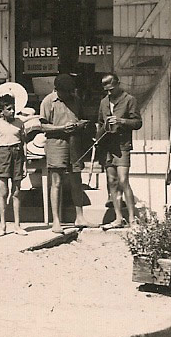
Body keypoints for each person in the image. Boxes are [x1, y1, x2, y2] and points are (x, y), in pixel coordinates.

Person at [39, 73, 92, 233]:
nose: (68, 94)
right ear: (56, 89)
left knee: (77, 179)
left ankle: (80, 217)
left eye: (70, 91)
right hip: (56, 143)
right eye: (65, 92)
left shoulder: (76, 100)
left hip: (74, 143)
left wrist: (80, 125)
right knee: (56, 182)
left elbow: (83, 119)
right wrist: (61, 128)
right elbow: (43, 126)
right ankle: (56, 221)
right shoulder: (48, 101)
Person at [96, 72, 143, 230]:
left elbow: (137, 123)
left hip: (122, 146)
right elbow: (99, 123)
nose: (109, 93)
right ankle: (118, 218)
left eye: (111, 89)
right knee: (112, 182)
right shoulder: (103, 102)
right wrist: (98, 137)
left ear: (117, 84)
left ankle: (132, 219)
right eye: (106, 90)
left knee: (123, 181)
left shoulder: (129, 99)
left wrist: (121, 121)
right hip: (108, 147)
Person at [0, 94, 27, 237]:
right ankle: (3, 226)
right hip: (3, 156)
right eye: (9, 109)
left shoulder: (19, 123)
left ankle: (17, 225)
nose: (12, 111)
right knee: (3, 193)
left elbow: (24, 144)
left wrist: (24, 164)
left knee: (16, 192)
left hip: (17, 156)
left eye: (13, 108)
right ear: (1, 110)